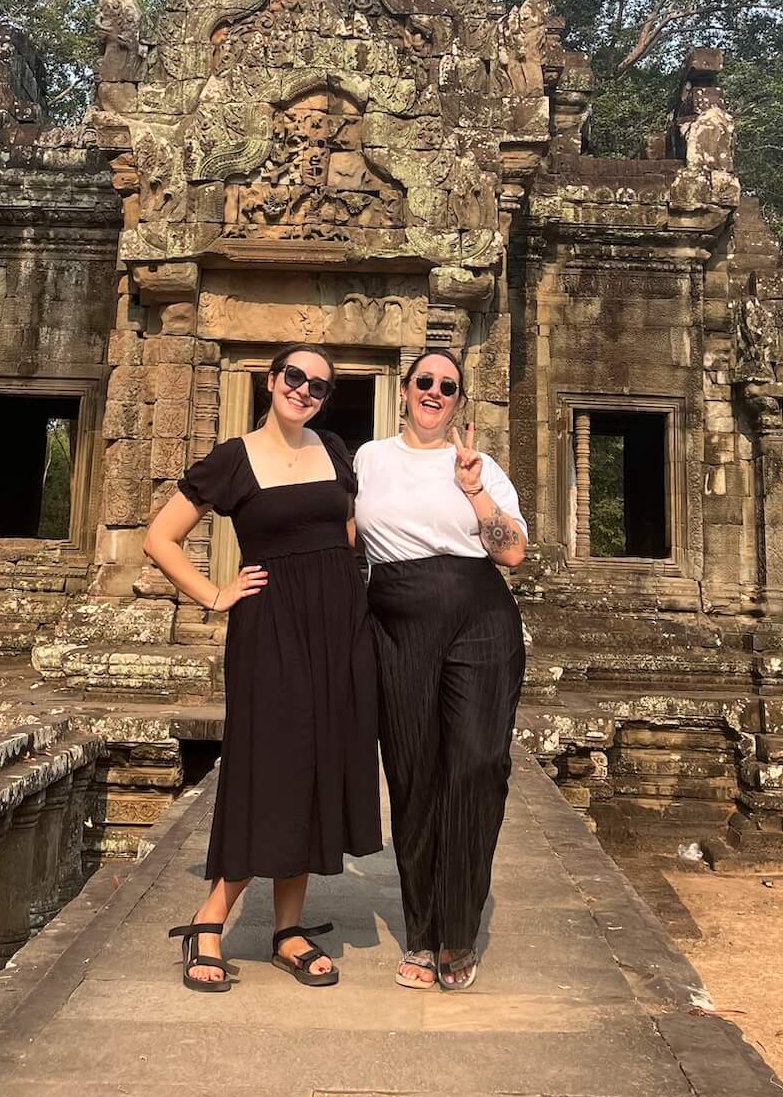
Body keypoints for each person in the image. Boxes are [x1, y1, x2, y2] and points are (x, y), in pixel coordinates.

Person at [142, 343, 381, 991]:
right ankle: (209, 918)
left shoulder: (334, 450)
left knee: (315, 768)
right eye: (295, 377)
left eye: (320, 385)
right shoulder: (233, 458)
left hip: (337, 629)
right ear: (271, 381)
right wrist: (215, 594)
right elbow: (160, 537)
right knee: (271, 768)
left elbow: (350, 533)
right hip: (271, 630)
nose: (305, 390)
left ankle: (288, 930)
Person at [355, 351, 527, 993]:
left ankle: (459, 927)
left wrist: (475, 489)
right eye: (423, 382)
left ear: (459, 401)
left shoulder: (482, 470)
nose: (434, 392)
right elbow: (342, 534)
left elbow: (512, 553)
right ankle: (422, 933)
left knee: (478, 764)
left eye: (447, 387)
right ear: (404, 391)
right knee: (412, 772)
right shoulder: (369, 460)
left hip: (479, 617)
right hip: (397, 625)